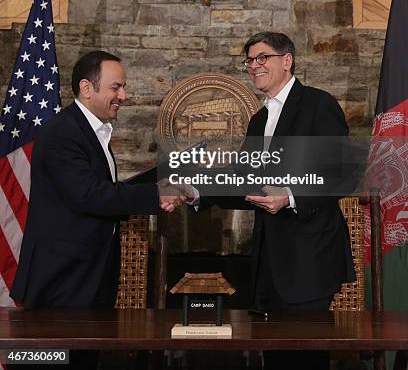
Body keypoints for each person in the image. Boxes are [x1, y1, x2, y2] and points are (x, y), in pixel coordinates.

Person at [187, 32, 356, 370]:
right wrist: (194, 191)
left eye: (262, 57)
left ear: (287, 60)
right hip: (270, 261)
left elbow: (343, 174)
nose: (254, 65)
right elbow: (242, 179)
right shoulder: (259, 119)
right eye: (249, 60)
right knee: (276, 356)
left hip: (310, 258)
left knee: (305, 359)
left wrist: (291, 197)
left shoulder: (317, 104)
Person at [10, 51, 181, 369]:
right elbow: (90, 196)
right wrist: (157, 194)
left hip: (89, 280)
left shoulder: (91, 131)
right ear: (87, 88)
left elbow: (104, 193)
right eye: (116, 87)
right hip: (61, 285)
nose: (124, 96)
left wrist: (159, 180)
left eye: (123, 87)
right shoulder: (63, 131)